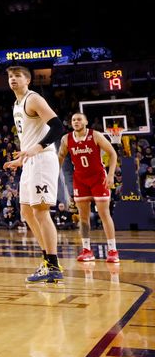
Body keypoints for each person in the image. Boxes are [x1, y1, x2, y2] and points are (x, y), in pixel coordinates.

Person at [3, 66, 65, 283]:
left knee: (40, 212)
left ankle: (54, 264)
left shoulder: (34, 99)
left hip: (42, 158)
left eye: (17, 76)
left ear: (27, 80)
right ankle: (47, 260)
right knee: (26, 212)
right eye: (10, 76)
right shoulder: (16, 104)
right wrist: (21, 159)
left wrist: (37, 148)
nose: (13, 79)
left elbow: (58, 128)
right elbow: (28, 137)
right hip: (30, 161)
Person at [58, 112, 119, 263]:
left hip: (99, 179)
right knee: (83, 218)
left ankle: (112, 251)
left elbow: (112, 153)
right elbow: (60, 157)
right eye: (73, 120)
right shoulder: (66, 139)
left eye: (79, 119)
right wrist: (54, 173)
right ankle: (86, 250)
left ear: (85, 121)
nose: (76, 122)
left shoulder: (95, 135)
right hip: (80, 180)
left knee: (104, 214)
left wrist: (111, 175)